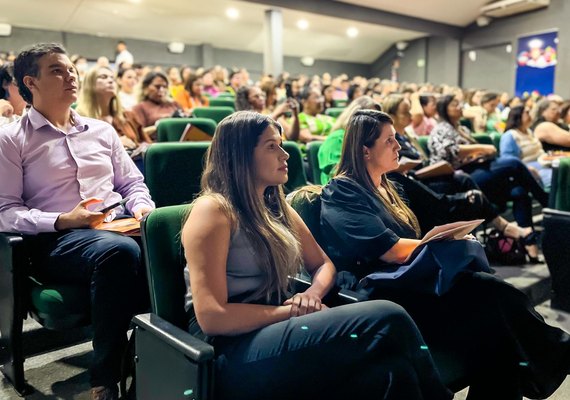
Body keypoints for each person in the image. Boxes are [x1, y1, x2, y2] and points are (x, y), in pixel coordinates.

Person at [181, 110, 452, 400]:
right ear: (239, 155)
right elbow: (212, 317)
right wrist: (294, 311)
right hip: (228, 349)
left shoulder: (276, 206)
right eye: (272, 146)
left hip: (274, 326)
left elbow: (323, 264)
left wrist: (313, 293)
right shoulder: (213, 211)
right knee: (387, 315)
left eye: (282, 144)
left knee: (394, 370)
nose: (285, 155)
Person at [320, 109, 570, 400]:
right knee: (493, 295)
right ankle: (560, 350)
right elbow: (388, 251)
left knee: (497, 329)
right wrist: (440, 242)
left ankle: (558, 351)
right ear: (365, 150)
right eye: (389, 141)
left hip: (417, 280)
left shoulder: (392, 184)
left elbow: (439, 205)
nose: (399, 146)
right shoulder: (342, 192)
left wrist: (457, 228)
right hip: (383, 294)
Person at [0, 43, 155, 400]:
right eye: (56, 70)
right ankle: (105, 378)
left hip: (118, 225)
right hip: (55, 241)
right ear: (30, 82)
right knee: (117, 252)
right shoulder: (12, 139)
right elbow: (6, 211)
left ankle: (169, 354)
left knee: (172, 235)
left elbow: (131, 183)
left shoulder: (101, 131)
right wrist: (61, 220)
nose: (70, 75)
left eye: (71, 69)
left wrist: (142, 208)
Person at [429, 94, 548, 262]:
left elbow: (469, 152)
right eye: (454, 104)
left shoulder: (462, 128)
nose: (460, 106)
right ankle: (546, 202)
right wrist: (483, 147)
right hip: (457, 177)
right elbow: (448, 151)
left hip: (477, 169)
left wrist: (480, 154)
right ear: (444, 108)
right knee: (513, 163)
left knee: (519, 192)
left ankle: (529, 245)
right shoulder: (441, 128)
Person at [76, 66, 151, 171]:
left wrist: (141, 147)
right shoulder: (80, 118)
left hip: (136, 167)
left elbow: (147, 143)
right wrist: (116, 144)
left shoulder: (127, 115)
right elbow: (81, 152)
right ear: (90, 84)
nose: (110, 80)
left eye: (112, 78)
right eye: (103, 77)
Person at [501, 105, 551, 189]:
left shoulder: (529, 131)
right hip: (529, 169)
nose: (530, 115)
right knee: (560, 178)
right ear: (517, 115)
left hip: (544, 164)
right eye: (527, 113)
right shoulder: (510, 135)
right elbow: (509, 161)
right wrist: (527, 169)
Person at [235, 85, 299, 141]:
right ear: (246, 100)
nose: (262, 98)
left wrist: (295, 115)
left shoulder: (271, 114)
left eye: (262, 95)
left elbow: (292, 136)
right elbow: (258, 132)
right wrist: (277, 113)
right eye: (256, 96)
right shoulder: (244, 120)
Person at [131, 71, 182, 140]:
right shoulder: (139, 108)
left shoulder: (174, 104)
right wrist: (160, 126)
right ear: (145, 88)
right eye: (157, 87)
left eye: (165, 87)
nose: (162, 90)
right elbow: (138, 134)